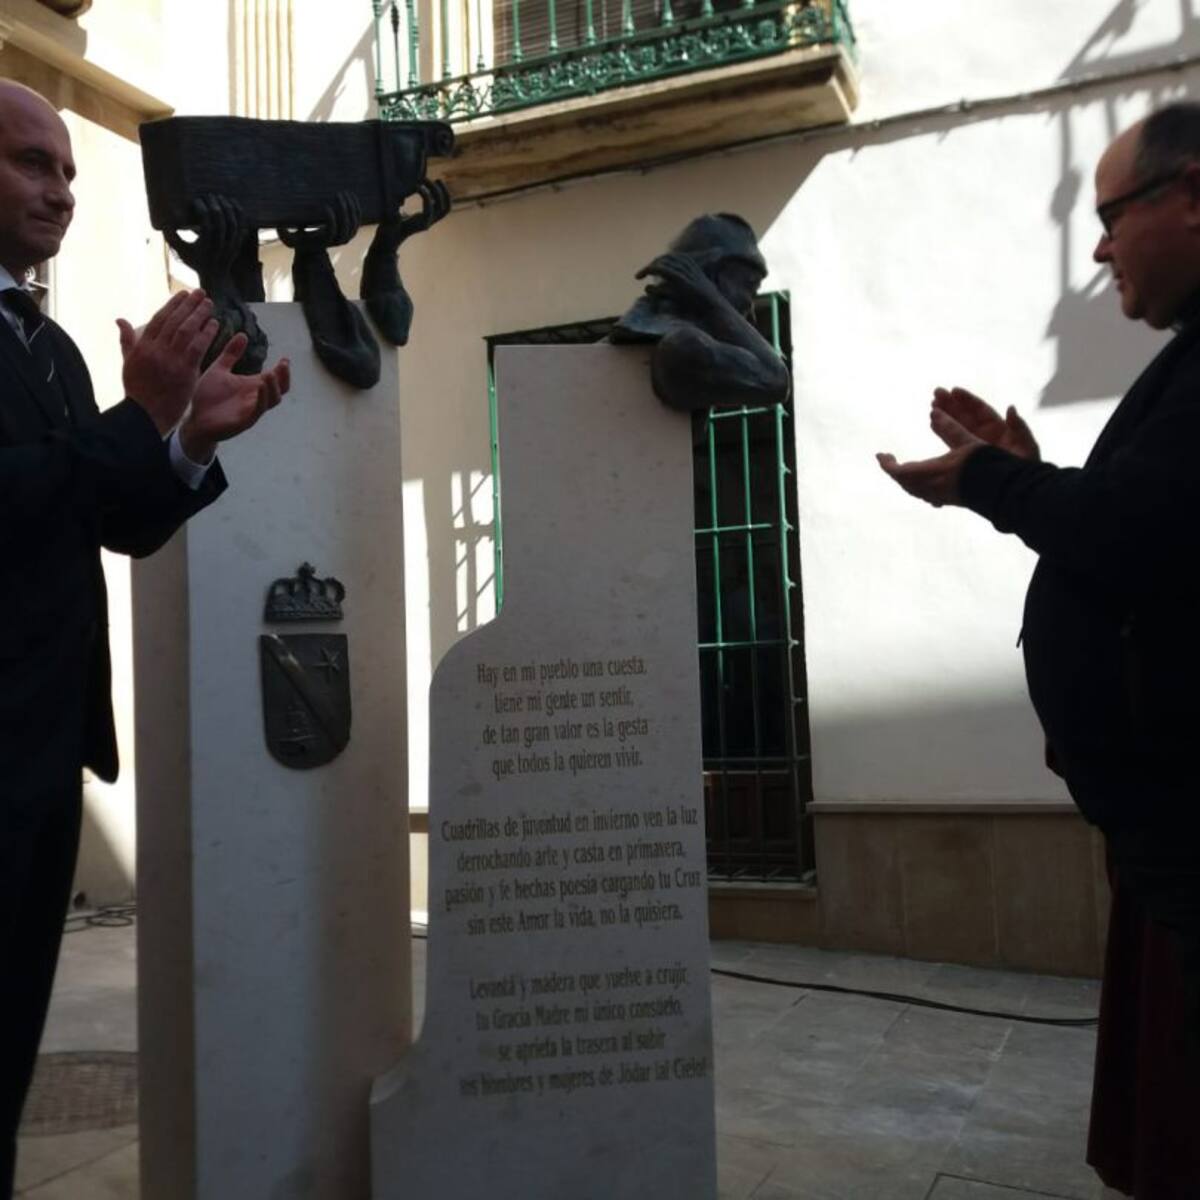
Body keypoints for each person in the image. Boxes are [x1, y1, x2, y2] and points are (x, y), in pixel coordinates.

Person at [878, 103, 1200, 1198]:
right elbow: (1141, 525)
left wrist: (994, 482)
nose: (1099, 245)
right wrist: (1024, 473)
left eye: (1111, 215)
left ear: (1192, 195)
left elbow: (1144, 533)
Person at [0, 80, 289, 1196]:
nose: (62, 191)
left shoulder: (54, 349)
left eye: (70, 170)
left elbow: (108, 515)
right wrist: (136, 423)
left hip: (40, 760)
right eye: (33, 163)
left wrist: (184, 445)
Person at [610, 213, 790, 412]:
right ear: (708, 277)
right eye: (749, 286)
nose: (750, 304)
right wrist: (712, 302)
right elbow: (774, 381)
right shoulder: (684, 346)